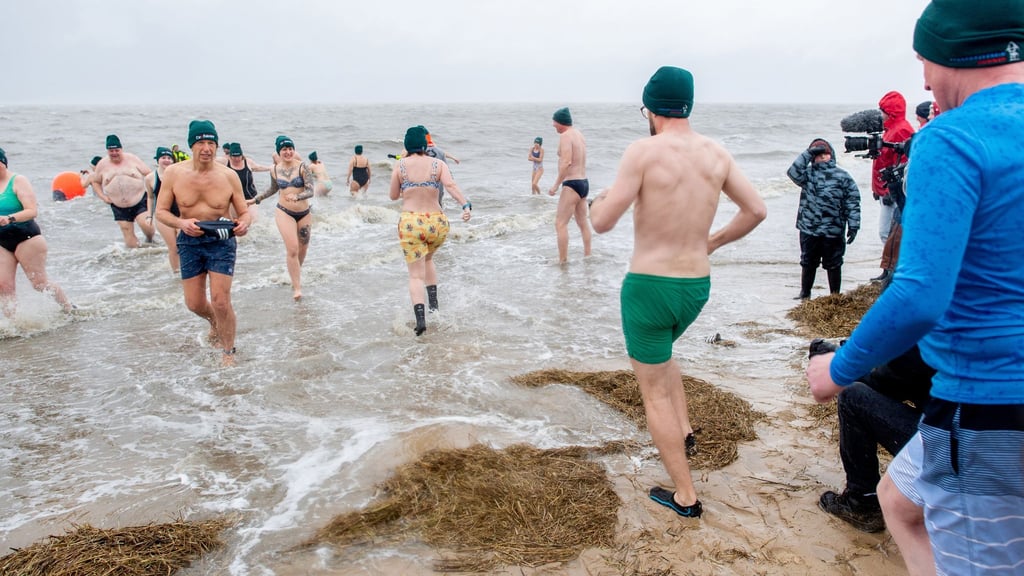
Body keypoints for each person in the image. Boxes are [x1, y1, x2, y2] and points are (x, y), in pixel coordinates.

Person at [807, 3, 1024, 573]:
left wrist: (837, 369)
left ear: (954, 55)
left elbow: (919, 295)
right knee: (899, 503)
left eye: (924, 63)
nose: (925, 80)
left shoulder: (952, 138)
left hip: (989, 406)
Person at [589, 66, 767, 519]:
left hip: (649, 286)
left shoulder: (643, 151)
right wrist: (713, 242)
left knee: (654, 394)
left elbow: (603, 222)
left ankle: (685, 495)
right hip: (696, 286)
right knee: (665, 356)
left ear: (649, 107)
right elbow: (756, 210)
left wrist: (597, 201)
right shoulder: (716, 153)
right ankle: (684, 429)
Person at [155, 120, 250, 367]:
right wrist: (181, 223)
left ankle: (229, 351)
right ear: (192, 145)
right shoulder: (174, 174)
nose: (206, 148)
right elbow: (161, 212)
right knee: (194, 304)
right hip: (189, 240)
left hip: (221, 240)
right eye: (201, 143)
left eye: (211, 143)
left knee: (220, 300)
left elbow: (244, 211)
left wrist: (243, 223)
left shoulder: (229, 176)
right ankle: (215, 323)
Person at [816, 342, 934, 533]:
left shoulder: (931, 331)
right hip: (993, 450)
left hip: (953, 451)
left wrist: (835, 360)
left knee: (852, 396)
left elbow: (884, 384)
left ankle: (861, 502)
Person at [388, 126, 472, 336]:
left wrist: (408, 186)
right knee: (428, 260)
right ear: (425, 145)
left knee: (416, 276)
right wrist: (465, 205)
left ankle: (421, 321)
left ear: (407, 145)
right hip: (437, 223)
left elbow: (392, 195)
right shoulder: (438, 164)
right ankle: (434, 307)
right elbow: (451, 186)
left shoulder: (400, 166)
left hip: (411, 224)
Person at [0, 147, 73, 316]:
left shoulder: (18, 181)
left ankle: (68, 308)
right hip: (2, 241)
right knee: (4, 286)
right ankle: (13, 325)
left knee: (39, 284)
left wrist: (9, 218)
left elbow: (32, 211)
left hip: (27, 238)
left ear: (3, 163)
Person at [786, 138, 860, 299]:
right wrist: (808, 153)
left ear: (831, 155)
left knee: (833, 263)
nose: (822, 157)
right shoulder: (807, 175)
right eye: (818, 155)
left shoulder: (843, 176)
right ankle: (805, 293)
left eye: (825, 154)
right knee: (808, 262)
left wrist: (854, 225)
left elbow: (852, 201)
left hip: (833, 229)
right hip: (809, 228)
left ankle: (835, 295)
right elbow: (792, 172)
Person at [247, 135, 314, 301]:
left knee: (302, 249)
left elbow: (310, 190)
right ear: (279, 152)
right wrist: (256, 200)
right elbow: (272, 189)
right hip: (284, 211)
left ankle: (294, 274)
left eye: (290, 148)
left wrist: (298, 197)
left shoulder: (303, 167)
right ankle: (297, 288)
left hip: (304, 213)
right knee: (292, 248)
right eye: (284, 149)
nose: (288, 152)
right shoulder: (274, 170)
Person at [869, 91, 914, 283]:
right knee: (887, 232)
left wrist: (889, 190)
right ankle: (888, 269)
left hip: (894, 190)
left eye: (883, 110)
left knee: (889, 232)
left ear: (892, 111)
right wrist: (876, 188)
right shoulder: (890, 129)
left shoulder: (902, 130)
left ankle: (893, 271)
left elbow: (903, 163)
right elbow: (882, 161)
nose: (881, 114)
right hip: (885, 187)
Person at [92, 134, 156, 248]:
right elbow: (95, 181)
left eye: (117, 150)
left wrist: (153, 191)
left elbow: (149, 174)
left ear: (121, 149)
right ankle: (135, 257)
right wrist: (103, 197)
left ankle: (150, 240)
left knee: (146, 225)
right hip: (118, 205)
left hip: (139, 199)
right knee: (127, 231)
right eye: (111, 151)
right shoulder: (102, 164)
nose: (114, 153)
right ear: (107, 151)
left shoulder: (132, 159)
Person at [547, 107, 593, 264]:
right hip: (583, 182)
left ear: (561, 122)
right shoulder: (579, 135)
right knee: (583, 222)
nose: (553, 125)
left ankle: (562, 261)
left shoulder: (566, 136)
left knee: (560, 223)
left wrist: (555, 185)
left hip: (572, 183)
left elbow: (566, 162)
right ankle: (588, 256)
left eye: (555, 122)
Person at [145, 147, 181, 273]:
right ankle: (176, 273)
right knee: (173, 246)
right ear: (157, 160)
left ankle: (187, 270)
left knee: (184, 244)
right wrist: (149, 216)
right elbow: (150, 197)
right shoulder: (150, 178)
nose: (166, 160)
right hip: (162, 215)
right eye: (163, 158)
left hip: (180, 214)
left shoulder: (179, 174)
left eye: (169, 158)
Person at [225, 143, 271, 223]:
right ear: (230, 156)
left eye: (239, 156)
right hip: (232, 199)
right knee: (234, 222)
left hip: (250, 198)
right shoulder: (225, 163)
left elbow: (258, 167)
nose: (236, 159)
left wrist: (271, 168)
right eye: (234, 156)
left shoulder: (248, 162)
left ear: (242, 155)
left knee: (253, 222)